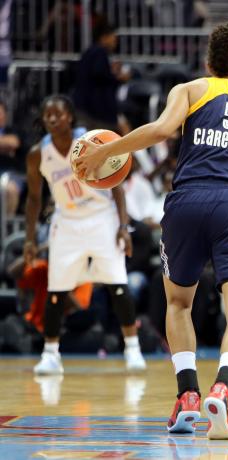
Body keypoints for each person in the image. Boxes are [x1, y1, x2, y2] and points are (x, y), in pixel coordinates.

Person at [73, 23, 228, 440]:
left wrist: (105, 150)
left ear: (208, 64)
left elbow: (158, 131)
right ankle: (223, 388)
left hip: (187, 200)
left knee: (178, 303)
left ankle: (188, 394)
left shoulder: (191, 89)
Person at [24, 95, 146, 375]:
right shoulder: (38, 154)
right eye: (48, 115)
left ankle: (133, 349)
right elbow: (33, 199)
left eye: (59, 114)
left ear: (70, 117)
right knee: (57, 288)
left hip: (102, 217)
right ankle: (51, 354)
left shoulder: (92, 142)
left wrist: (123, 226)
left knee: (118, 284)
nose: (53, 119)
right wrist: (30, 238)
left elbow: (116, 184)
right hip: (66, 222)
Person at [73, 20, 130, 133]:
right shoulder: (100, 52)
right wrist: (119, 78)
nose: (115, 41)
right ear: (104, 37)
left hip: (85, 107)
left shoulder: (90, 52)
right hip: (94, 111)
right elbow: (99, 74)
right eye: (113, 37)